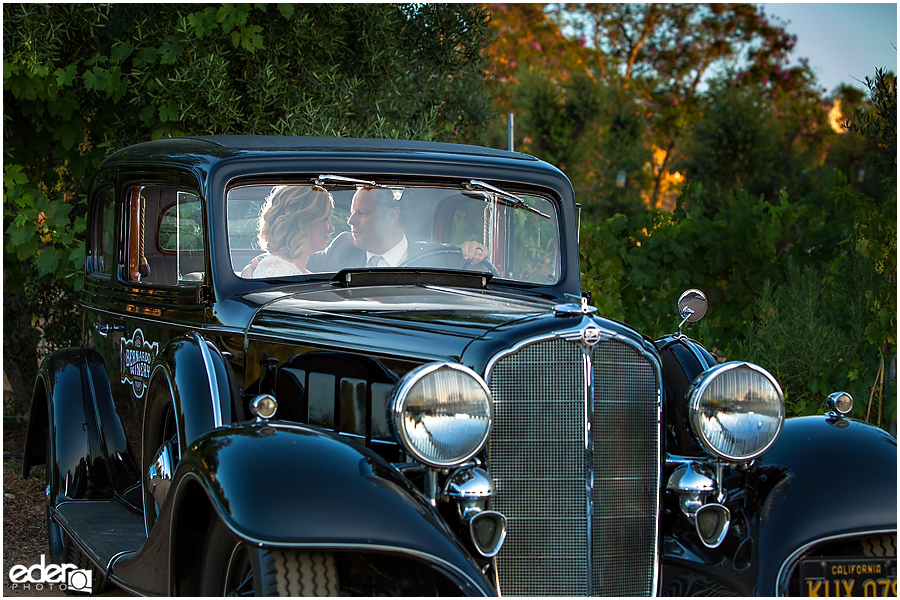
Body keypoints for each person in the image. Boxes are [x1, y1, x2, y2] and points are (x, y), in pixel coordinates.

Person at [306, 186, 487, 272]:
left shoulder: (436, 259)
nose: (350, 221)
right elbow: (296, 263)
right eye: (352, 213)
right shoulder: (341, 248)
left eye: (361, 213)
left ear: (392, 216)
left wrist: (475, 256)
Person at [246, 185, 335, 278]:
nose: (331, 229)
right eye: (325, 220)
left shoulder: (305, 273)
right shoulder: (273, 269)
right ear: (303, 223)